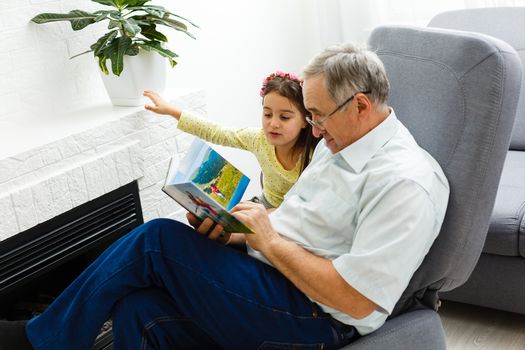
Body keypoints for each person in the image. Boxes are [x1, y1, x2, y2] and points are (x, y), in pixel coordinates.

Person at [0, 43, 449, 350]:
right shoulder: (341, 143)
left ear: (360, 106)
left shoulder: (405, 181)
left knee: (156, 239)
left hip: (314, 317)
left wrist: (269, 240)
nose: (313, 130)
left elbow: (358, 300)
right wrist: (238, 234)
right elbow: (301, 225)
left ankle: (38, 341)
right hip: (273, 277)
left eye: (316, 116)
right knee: (140, 310)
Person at [144, 70, 320, 209]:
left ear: (305, 120)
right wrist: (170, 110)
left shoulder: (316, 153)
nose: (273, 123)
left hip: (295, 217)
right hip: (264, 206)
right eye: (267, 114)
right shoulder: (258, 140)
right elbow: (217, 132)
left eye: (285, 117)